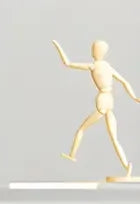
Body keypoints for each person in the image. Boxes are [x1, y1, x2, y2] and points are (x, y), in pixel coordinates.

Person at [53, 39, 140, 178]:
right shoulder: (108, 67)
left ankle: (72, 154)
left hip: (103, 100)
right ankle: (126, 166)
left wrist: (58, 46)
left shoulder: (93, 66)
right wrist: (134, 97)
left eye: (94, 49)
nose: (92, 52)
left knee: (82, 129)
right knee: (114, 138)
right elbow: (125, 81)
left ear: (97, 52)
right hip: (110, 100)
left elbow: (68, 63)